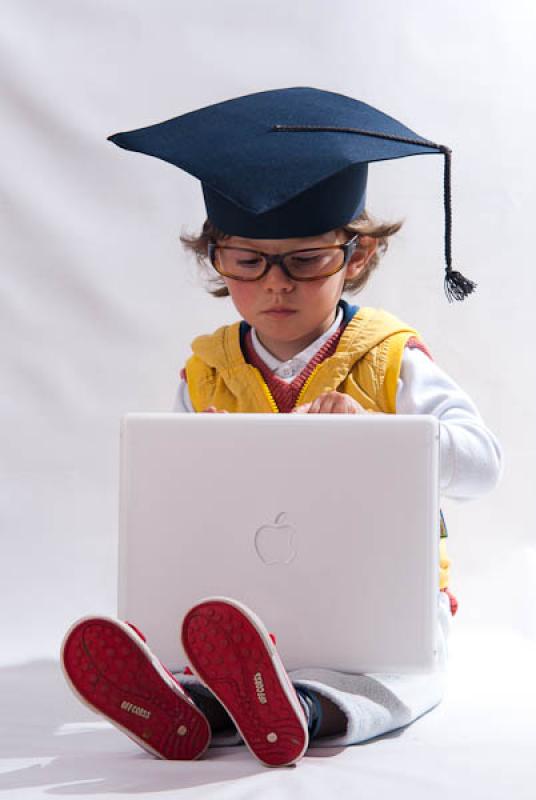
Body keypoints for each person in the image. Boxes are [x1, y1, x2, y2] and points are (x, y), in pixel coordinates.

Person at [61, 88, 503, 767]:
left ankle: (299, 710)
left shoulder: (392, 359)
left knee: (398, 673)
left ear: (354, 258)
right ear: (215, 257)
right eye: (247, 261)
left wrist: (386, 439)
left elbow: (483, 466)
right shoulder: (204, 372)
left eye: (305, 261)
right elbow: (173, 514)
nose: (276, 285)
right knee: (196, 644)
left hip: (375, 601)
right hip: (243, 601)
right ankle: (194, 703)